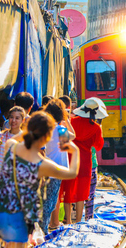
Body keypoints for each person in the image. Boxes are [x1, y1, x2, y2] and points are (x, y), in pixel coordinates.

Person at [0, 112, 79, 247]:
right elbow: (72, 173)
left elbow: (17, 137)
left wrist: (29, 129)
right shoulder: (43, 164)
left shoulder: (12, 146)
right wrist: (75, 150)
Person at [60, 97, 107, 224]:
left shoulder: (71, 122)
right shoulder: (96, 128)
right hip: (85, 162)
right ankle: (79, 221)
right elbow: (98, 146)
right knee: (81, 193)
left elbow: (64, 138)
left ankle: (68, 220)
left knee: (68, 190)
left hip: (69, 159)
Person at [41, 99, 76, 233]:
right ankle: (45, 227)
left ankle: (44, 226)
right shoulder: (61, 130)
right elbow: (73, 135)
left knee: (44, 198)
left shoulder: (44, 128)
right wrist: (66, 120)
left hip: (44, 167)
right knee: (52, 198)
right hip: (58, 169)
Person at [0, 106, 26, 176]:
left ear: (23, 120)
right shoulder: (1, 136)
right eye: (11, 117)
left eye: (17, 118)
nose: (13, 120)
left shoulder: (25, 138)